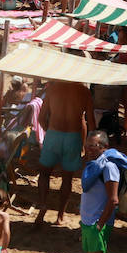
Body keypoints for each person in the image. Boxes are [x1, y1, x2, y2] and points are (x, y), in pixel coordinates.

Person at [34, 80, 92, 225]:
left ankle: (42, 204)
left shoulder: (53, 88)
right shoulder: (84, 91)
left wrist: (51, 131)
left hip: (54, 134)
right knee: (67, 178)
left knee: (44, 173)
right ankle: (60, 215)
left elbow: (41, 118)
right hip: (73, 136)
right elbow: (90, 119)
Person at [79, 130, 122, 253]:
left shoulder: (109, 167)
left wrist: (100, 224)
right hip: (89, 222)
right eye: (86, 145)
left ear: (104, 147)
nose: (88, 149)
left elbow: (113, 200)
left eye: (93, 146)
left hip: (97, 224)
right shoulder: (95, 165)